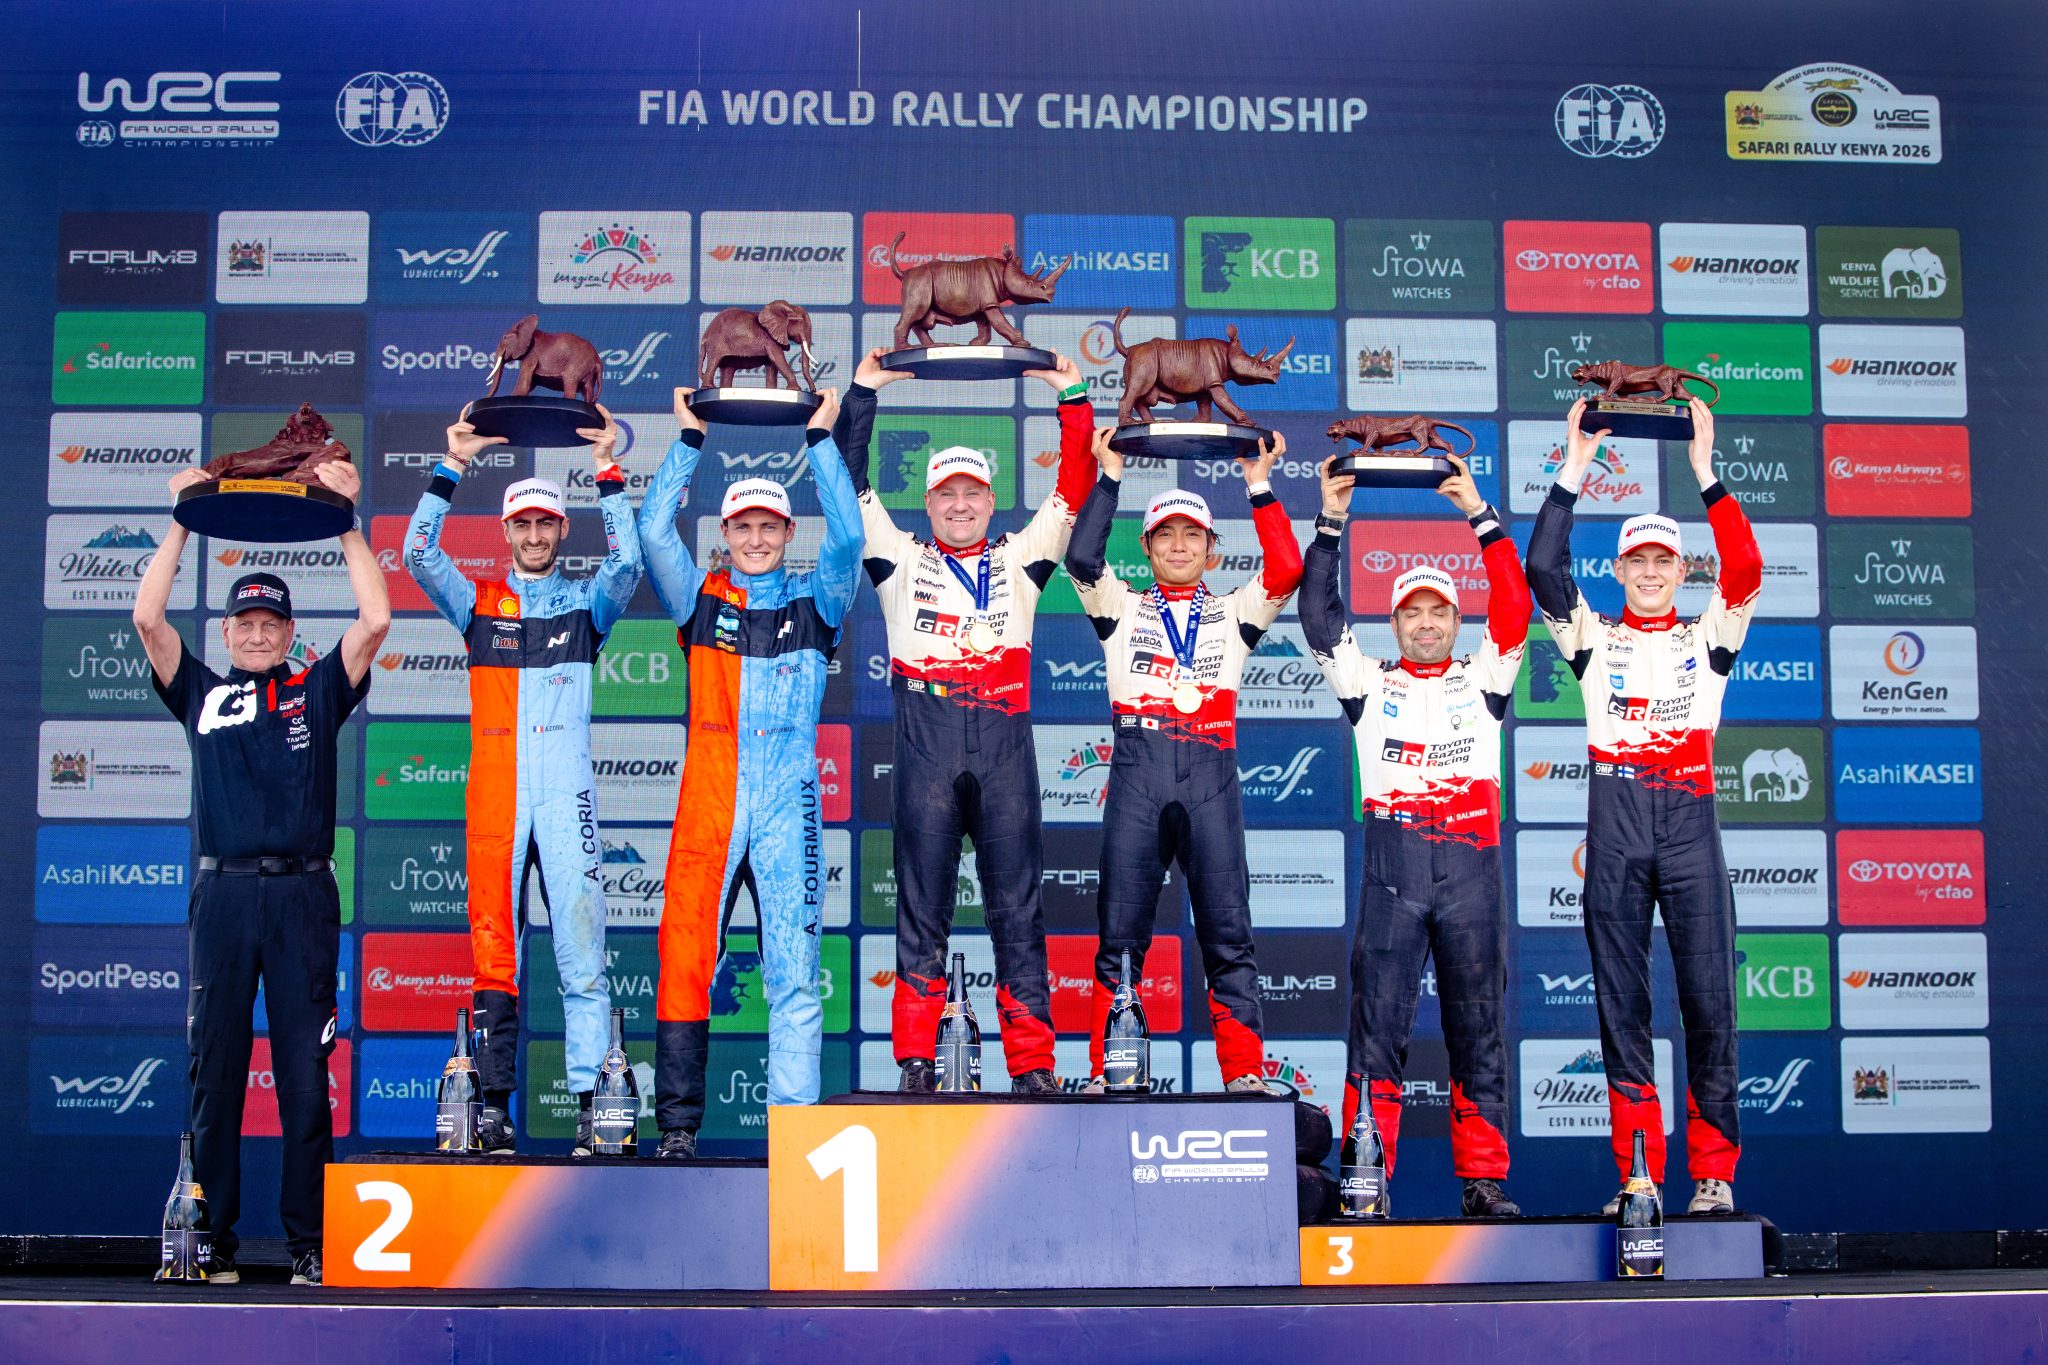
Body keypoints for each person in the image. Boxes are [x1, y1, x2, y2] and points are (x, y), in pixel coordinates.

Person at [134, 459, 389, 1287]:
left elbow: (376, 618)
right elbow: (146, 616)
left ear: (287, 632)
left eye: (268, 623)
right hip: (223, 896)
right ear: (227, 631)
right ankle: (210, 1241)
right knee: (214, 1074)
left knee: (305, 1078)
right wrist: (184, 517)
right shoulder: (201, 692)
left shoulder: (316, 691)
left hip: (303, 896)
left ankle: (311, 1242)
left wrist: (347, 519)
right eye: (243, 621)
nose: (254, 634)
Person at [1526, 397, 1762, 1216]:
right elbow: (1543, 568)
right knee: (1621, 1007)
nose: (1653, 572)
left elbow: (1746, 570)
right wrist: (1575, 466)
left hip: (1692, 826)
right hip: (1618, 827)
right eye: (1640, 561)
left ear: (1682, 571)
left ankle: (1714, 1177)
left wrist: (1705, 471)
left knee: (1709, 1003)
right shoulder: (1593, 638)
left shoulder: (1710, 636)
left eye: (1665, 560)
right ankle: (1639, 1174)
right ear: (1621, 571)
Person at [838, 348, 1092, 1094]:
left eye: (971, 493)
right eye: (945, 494)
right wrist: (863, 390)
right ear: (927, 501)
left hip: (1006, 755)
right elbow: (848, 480)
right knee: (921, 907)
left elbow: (1072, 488)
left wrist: (1071, 393)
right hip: (927, 751)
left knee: (1019, 908)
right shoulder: (896, 560)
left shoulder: (1022, 560)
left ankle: (1034, 1065)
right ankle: (917, 1059)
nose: (958, 505)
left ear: (990, 498)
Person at [405, 409, 643, 1156]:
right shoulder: (478, 605)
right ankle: (492, 1110)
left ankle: (594, 1107)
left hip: (566, 798)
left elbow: (629, 565)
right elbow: (417, 553)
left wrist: (607, 471)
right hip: (496, 800)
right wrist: (451, 467)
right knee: (492, 955)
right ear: (506, 531)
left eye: (545, 524)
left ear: (561, 529)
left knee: (582, 952)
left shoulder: (586, 604)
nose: (535, 535)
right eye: (523, 525)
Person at [1300, 452, 1527, 1218]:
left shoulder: (1486, 677)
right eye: (1411, 612)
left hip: (1472, 876)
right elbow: (1319, 617)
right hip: (1393, 874)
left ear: (1457, 622)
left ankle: (1484, 1182)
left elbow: (1516, 605)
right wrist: (1332, 520)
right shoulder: (1370, 682)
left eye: (1438, 612)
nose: (1426, 622)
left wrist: (1479, 514)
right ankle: (1366, 1176)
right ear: (1393, 623)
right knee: (1376, 1028)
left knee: (1479, 1028)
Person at [639, 387, 859, 1156]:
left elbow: (849, 534)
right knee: (684, 959)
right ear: (724, 533)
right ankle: (676, 1129)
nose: (757, 538)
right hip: (709, 801)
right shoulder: (697, 598)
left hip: (788, 805)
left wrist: (820, 440)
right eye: (743, 526)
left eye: (770, 526)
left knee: (795, 970)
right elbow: (651, 530)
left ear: (788, 531)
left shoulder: (818, 600)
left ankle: (792, 1136)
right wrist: (688, 441)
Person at [1065, 429, 1302, 1092]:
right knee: (1119, 938)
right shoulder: (1120, 607)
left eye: (1191, 535)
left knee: (1228, 934)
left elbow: (1286, 569)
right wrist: (1109, 475)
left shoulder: (1232, 614)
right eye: (1165, 535)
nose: (1177, 545)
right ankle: (1110, 1072)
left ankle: (1244, 1074)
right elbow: (1081, 556)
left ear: (1210, 548)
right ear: (1145, 547)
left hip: (1210, 779)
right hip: (1138, 776)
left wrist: (1259, 485)